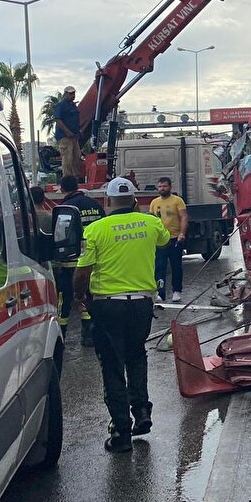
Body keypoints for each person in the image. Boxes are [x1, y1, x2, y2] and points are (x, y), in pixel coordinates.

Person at [74, 177, 168, 453]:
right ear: (135, 200)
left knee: (113, 366)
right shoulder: (151, 223)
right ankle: (141, 411)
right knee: (136, 355)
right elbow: (163, 241)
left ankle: (121, 432)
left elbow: (82, 271)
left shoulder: (95, 230)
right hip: (141, 304)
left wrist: (79, 296)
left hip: (107, 306)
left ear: (107, 201)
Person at [54, 174, 104, 346]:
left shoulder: (65, 207)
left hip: (70, 263)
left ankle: (60, 335)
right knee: (89, 296)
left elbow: (60, 235)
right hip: (92, 261)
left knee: (65, 300)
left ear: (62, 188)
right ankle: (88, 334)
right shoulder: (94, 204)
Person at [149, 176, 188, 303]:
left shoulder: (177, 201)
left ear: (170, 187)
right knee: (159, 267)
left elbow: (183, 217)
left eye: (164, 186)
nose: (162, 189)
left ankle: (177, 291)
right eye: (160, 186)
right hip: (160, 240)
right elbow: (152, 220)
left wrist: (182, 233)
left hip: (175, 238)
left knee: (176, 266)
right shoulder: (154, 202)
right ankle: (160, 293)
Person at [54, 85, 82, 181]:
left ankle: (75, 177)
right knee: (67, 157)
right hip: (65, 137)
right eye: (70, 94)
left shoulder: (73, 106)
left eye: (73, 93)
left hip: (74, 136)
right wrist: (67, 132)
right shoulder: (61, 105)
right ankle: (67, 178)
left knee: (77, 156)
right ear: (65, 94)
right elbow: (58, 120)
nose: (73, 95)